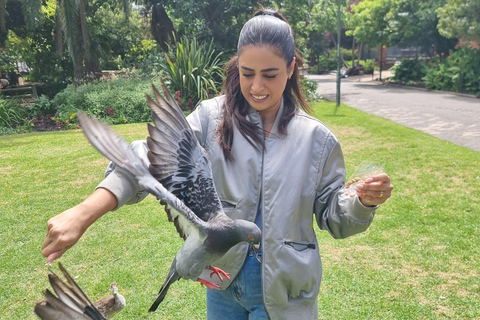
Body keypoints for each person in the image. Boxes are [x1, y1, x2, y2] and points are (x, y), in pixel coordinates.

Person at [42, 8, 393, 320]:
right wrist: (85, 211)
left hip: (286, 298)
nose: (256, 86)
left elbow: (335, 216)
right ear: (236, 66)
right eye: (247, 72)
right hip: (223, 291)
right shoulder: (211, 119)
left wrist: (362, 203)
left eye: (270, 74)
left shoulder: (318, 140)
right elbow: (142, 158)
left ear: (291, 68)